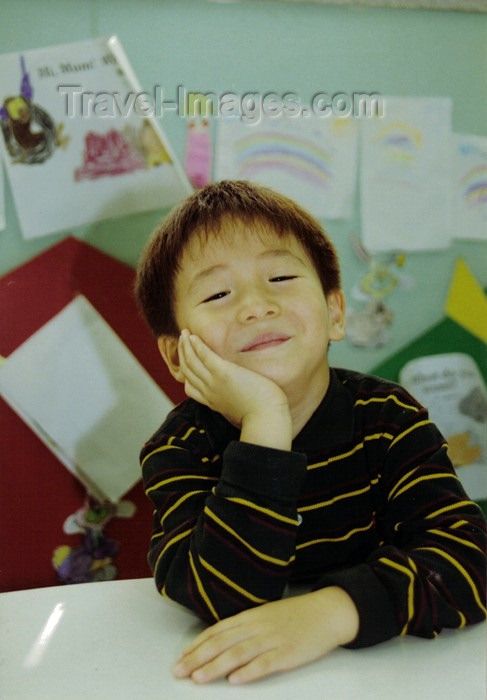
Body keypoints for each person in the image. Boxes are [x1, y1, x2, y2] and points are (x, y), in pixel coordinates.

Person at [134, 180, 486, 686]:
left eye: (280, 277)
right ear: (176, 355)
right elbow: (216, 597)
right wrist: (265, 422)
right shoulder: (178, 448)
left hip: (388, 672)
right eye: (217, 293)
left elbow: (470, 561)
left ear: (335, 312)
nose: (256, 306)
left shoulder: (388, 417)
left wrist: (331, 612)